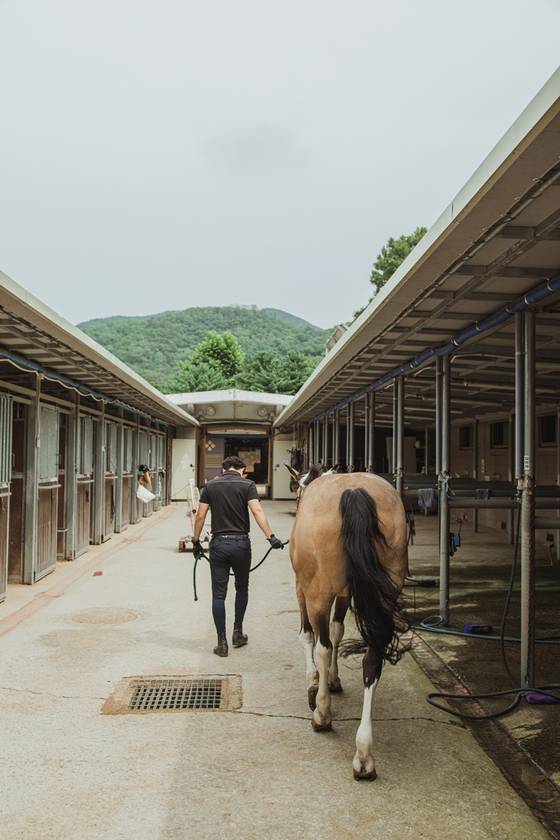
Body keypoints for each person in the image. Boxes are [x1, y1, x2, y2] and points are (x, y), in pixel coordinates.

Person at [192, 455, 284, 657]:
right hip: (241, 544)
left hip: (218, 544)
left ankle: (221, 643)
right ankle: (237, 633)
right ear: (241, 469)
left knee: (218, 594)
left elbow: (200, 516)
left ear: (223, 469)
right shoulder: (248, 485)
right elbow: (257, 510)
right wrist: (271, 537)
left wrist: (196, 541)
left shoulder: (210, 486)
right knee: (241, 588)